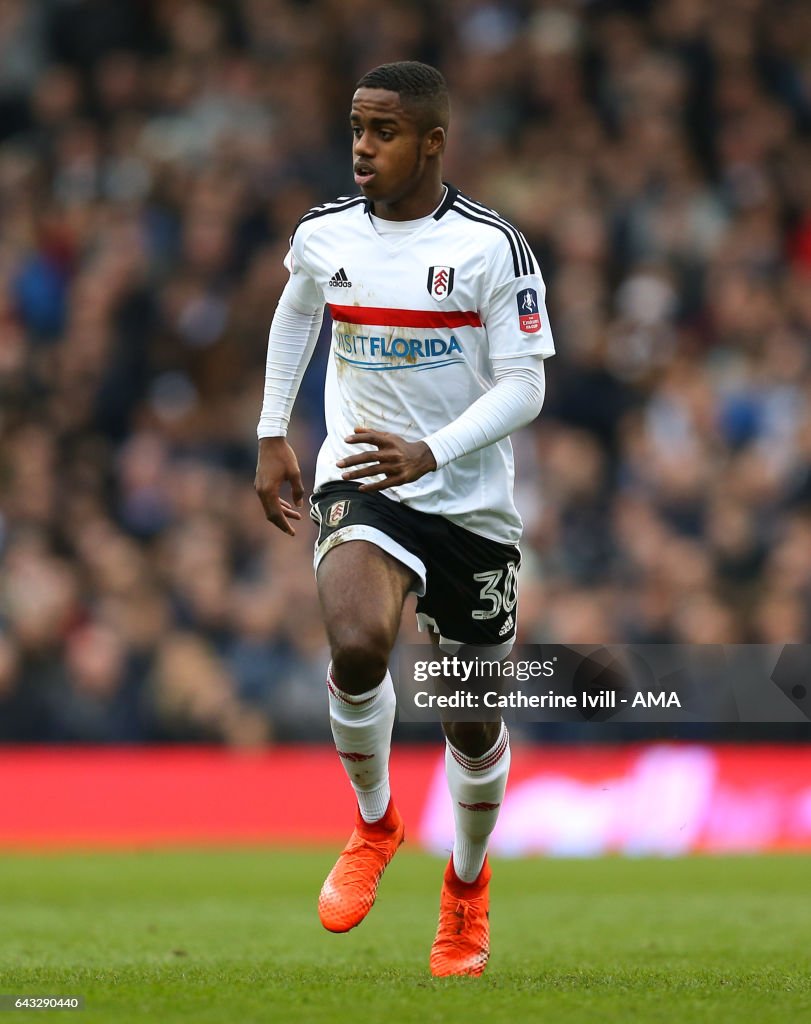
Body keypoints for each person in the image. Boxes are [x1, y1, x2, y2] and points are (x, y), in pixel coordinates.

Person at [255, 61, 554, 977]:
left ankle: (465, 888)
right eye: (355, 126)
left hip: (467, 506)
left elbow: (527, 386)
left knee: (469, 720)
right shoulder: (323, 232)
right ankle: (376, 823)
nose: (361, 146)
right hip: (364, 481)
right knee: (354, 643)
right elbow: (296, 311)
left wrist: (434, 451)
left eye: (383, 131)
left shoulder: (490, 249)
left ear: (431, 142)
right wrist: (272, 432)